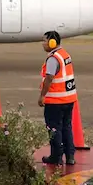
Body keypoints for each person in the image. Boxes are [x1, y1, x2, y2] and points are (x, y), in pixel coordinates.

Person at [38, 30, 78, 165]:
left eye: (44, 41)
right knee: (67, 127)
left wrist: (42, 95)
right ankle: (70, 156)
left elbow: (49, 77)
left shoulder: (53, 59)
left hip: (55, 101)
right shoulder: (65, 55)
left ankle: (56, 156)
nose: (42, 44)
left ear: (52, 42)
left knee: (54, 128)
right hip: (69, 99)